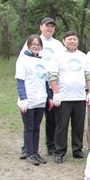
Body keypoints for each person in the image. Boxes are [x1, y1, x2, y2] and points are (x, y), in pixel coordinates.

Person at [49, 30, 90, 163]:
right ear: (64, 41)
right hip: (63, 97)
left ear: (77, 41)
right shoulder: (57, 56)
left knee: (78, 125)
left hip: (79, 97)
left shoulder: (83, 56)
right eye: (69, 39)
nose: (72, 41)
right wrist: (55, 93)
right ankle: (59, 151)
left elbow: (89, 75)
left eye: (74, 39)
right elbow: (52, 76)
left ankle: (77, 149)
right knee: (61, 126)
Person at [15, 34, 48, 166]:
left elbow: (45, 81)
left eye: (38, 45)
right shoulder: (23, 60)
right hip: (28, 100)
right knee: (29, 127)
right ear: (29, 46)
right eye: (33, 44)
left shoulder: (42, 61)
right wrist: (23, 98)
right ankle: (29, 153)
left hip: (40, 99)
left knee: (36, 127)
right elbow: (20, 81)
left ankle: (35, 152)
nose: (36, 47)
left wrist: (49, 97)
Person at [34, 16, 66, 155]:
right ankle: (28, 147)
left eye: (52, 26)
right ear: (41, 27)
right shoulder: (35, 41)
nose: (49, 28)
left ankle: (51, 145)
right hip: (37, 83)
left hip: (53, 84)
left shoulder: (58, 45)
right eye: (47, 26)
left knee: (53, 116)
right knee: (34, 116)